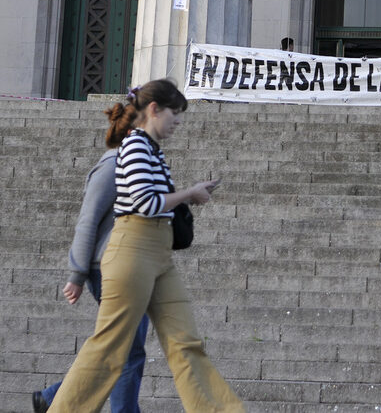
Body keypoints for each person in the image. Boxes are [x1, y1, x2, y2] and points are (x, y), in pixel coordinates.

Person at [48, 79, 244, 413]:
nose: (178, 121)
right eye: (174, 113)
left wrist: (191, 194)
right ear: (154, 109)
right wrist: (190, 193)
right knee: (110, 348)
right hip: (132, 250)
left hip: (158, 254)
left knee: (185, 342)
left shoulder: (152, 150)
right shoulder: (135, 145)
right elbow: (145, 202)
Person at [32, 120, 149, 413]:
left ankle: (52, 398)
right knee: (127, 352)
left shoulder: (138, 168)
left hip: (134, 268)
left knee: (116, 349)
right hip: (111, 270)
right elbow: (88, 220)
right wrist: (77, 273)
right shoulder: (113, 166)